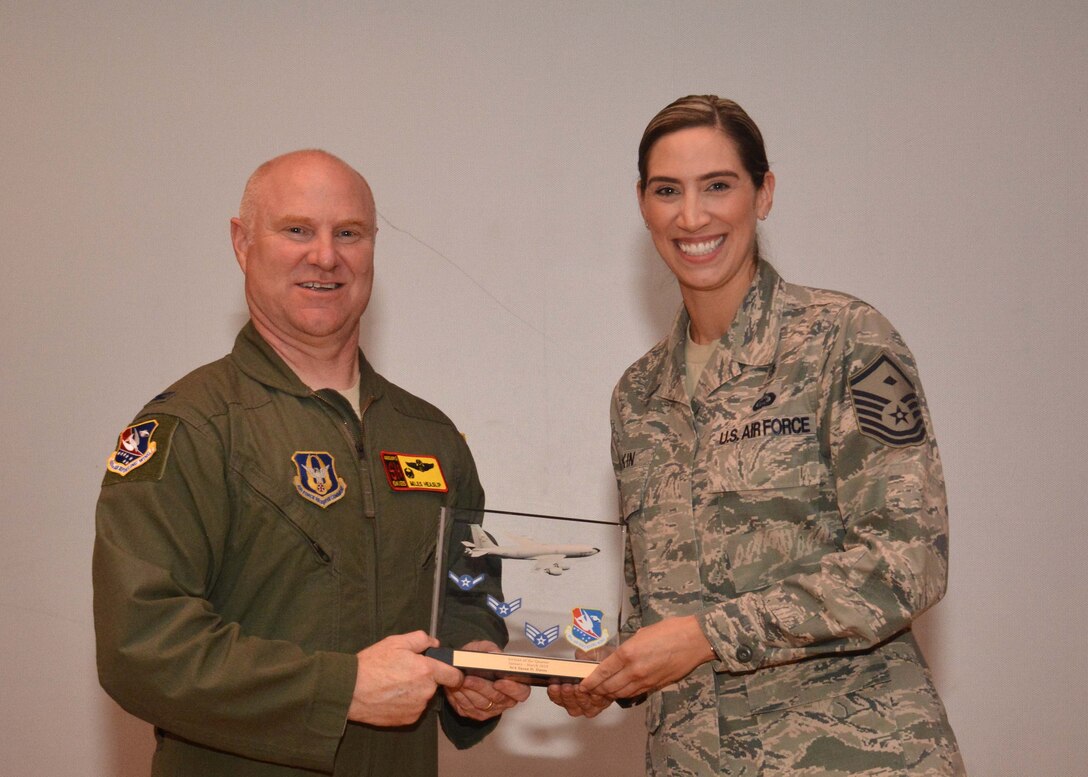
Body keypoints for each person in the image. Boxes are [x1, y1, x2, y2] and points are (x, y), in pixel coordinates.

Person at [548, 96, 965, 776]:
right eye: (667, 191)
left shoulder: (845, 340)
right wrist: (608, 668)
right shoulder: (639, 395)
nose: (692, 216)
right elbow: (661, 607)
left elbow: (906, 559)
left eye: (718, 185)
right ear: (642, 204)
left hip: (853, 758)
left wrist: (708, 636)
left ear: (763, 193)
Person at [93, 149, 529, 776]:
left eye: (348, 233)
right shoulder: (190, 428)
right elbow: (140, 646)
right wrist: (341, 689)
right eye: (297, 229)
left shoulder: (432, 437)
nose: (325, 256)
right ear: (243, 244)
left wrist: (473, 663)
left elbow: (467, 592)